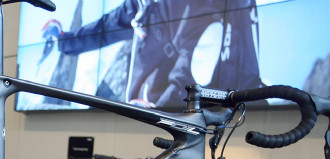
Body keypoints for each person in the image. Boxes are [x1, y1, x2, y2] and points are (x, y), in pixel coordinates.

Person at [42, 0, 262, 107]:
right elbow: (108, 26)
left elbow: (194, 71)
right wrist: (64, 41)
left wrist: (158, 110)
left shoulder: (202, 6)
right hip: (157, 106)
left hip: (211, 109)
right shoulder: (145, 3)